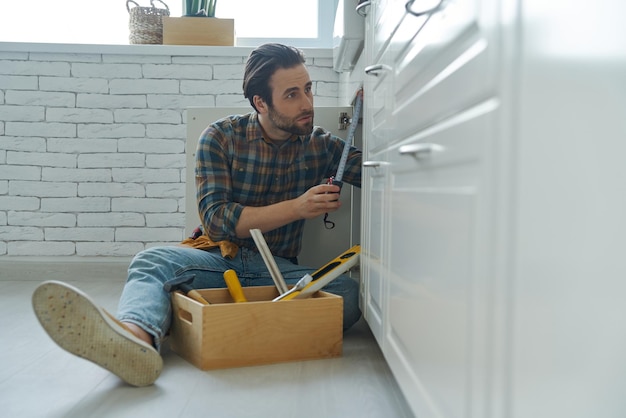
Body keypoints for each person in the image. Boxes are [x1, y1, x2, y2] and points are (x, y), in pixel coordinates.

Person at [32, 43, 363, 387]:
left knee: (347, 293)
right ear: (260, 102)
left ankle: (195, 319)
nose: (307, 104)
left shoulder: (321, 145)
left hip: (277, 271)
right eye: (292, 94)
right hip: (218, 259)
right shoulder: (220, 137)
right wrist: (298, 207)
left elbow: (374, 170)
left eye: (308, 89)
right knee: (152, 261)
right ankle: (133, 340)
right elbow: (217, 219)